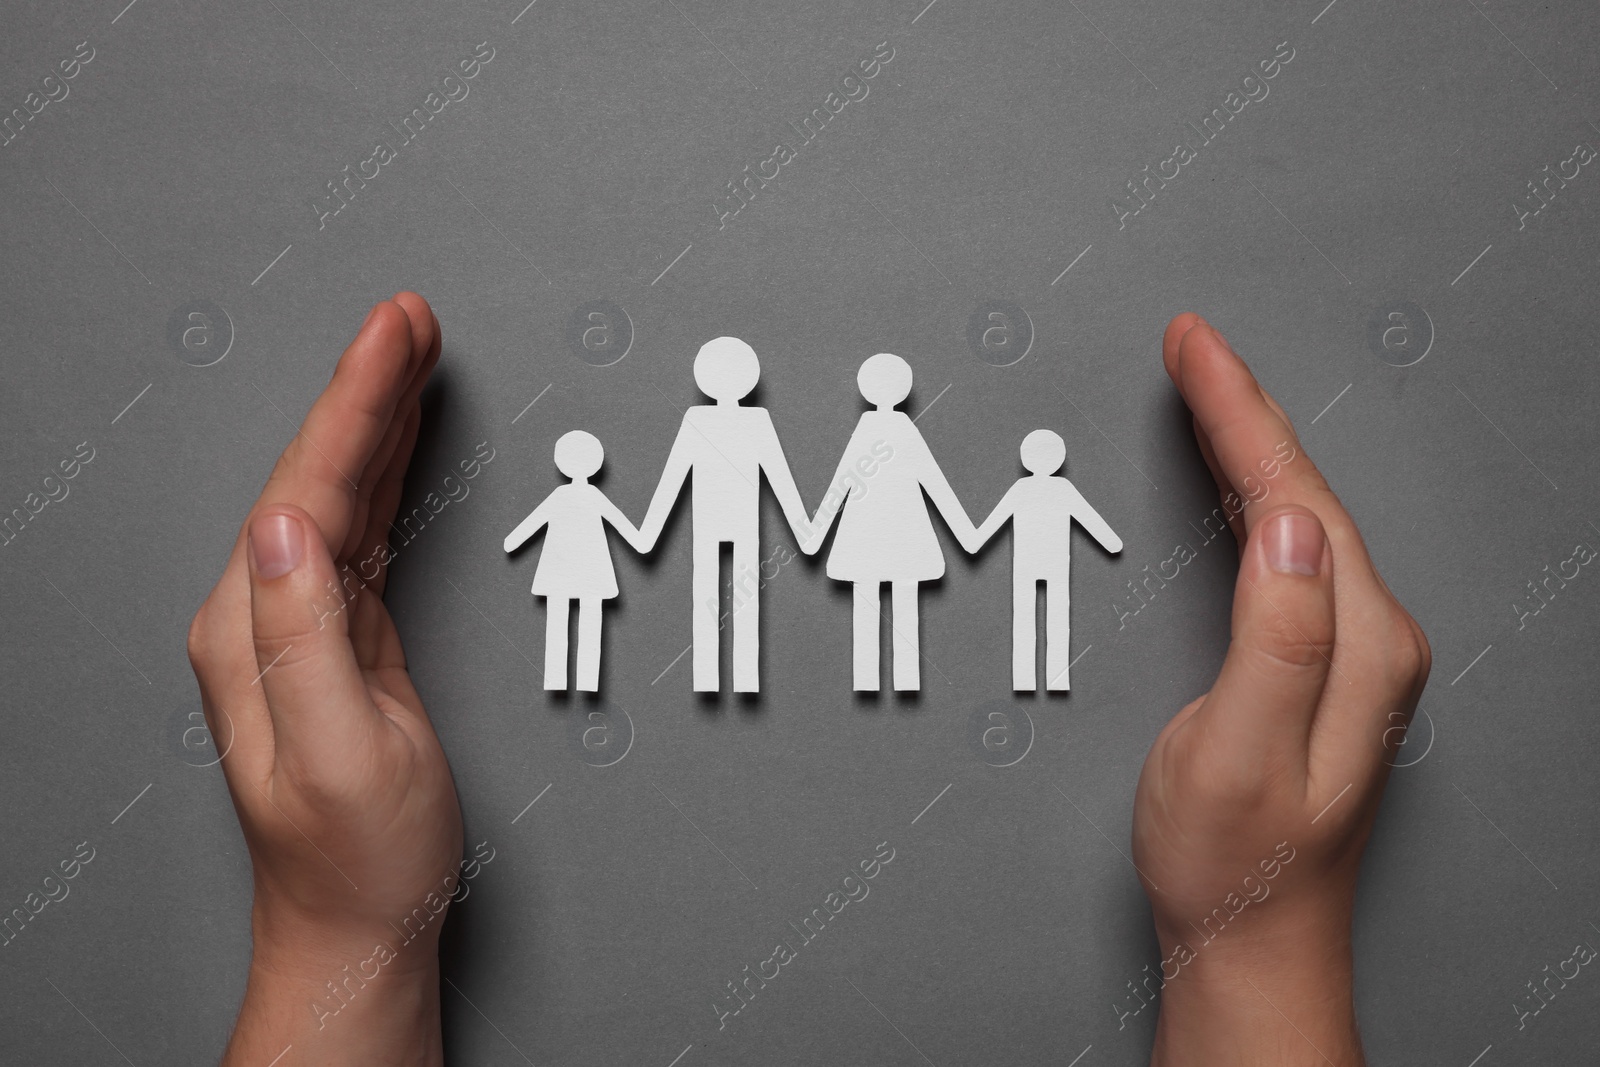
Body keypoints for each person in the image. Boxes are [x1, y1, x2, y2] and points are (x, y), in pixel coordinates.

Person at [186, 296, 1428, 1066]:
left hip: (841, 544)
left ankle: (779, 649)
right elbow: (707, 489)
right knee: (719, 617)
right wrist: (1251, 940)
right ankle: (744, 653)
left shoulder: (799, 427)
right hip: (738, 551)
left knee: (825, 614)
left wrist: (337, 933)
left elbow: (813, 488)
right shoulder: (741, 425)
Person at [636, 336, 814, 693]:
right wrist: (805, 533)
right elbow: (779, 478)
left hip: (717, 523)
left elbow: (673, 479)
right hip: (739, 523)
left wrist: (648, 533)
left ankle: (713, 676)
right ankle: (740, 677)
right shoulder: (751, 420)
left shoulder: (701, 419)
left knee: (707, 597)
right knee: (744, 597)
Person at [804, 352, 978, 692]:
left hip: (866, 538)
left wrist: (814, 533)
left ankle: (872, 679)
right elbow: (935, 484)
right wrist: (967, 533)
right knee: (904, 603)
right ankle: (903, 679)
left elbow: (842, 484)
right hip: (905, 539)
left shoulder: (871, 429)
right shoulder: (902, 430)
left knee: (868, 603)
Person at [968, 428, 1122, 691]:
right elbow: (1090, 519)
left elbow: (993, 523)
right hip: (1055, 564)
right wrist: (1111, 542)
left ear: (1026, 458)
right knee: (1058, 620)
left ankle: (1026, 680)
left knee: (1024, 620)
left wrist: (974, 540)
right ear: (1059, 458)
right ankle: (1056, 680)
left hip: (1027, 565)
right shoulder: (1062, 488)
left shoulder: (1022, 488)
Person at [503, 429, 649, 691]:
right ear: (596, 462)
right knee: (591, 624)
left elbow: (531, 524)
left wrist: (513, 541)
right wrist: (642, 541)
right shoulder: (593, 496)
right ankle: (586, 681)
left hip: (559, 572)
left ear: (561, 461)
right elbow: (625, 528)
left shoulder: (562, 496)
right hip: (592, 573)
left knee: (558, 623)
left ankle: (558, 679)